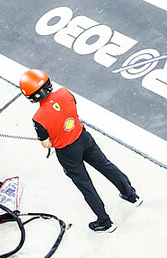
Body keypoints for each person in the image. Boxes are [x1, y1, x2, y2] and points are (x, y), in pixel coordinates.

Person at [19, 69, 140, 233]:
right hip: (84, 138)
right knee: (106, 166)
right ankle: (131, 195)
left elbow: (46, 144)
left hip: (67, 153)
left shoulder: (38, 118)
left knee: (86, 186)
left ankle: (105, 222)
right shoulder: (64, 92)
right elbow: (71, 110)